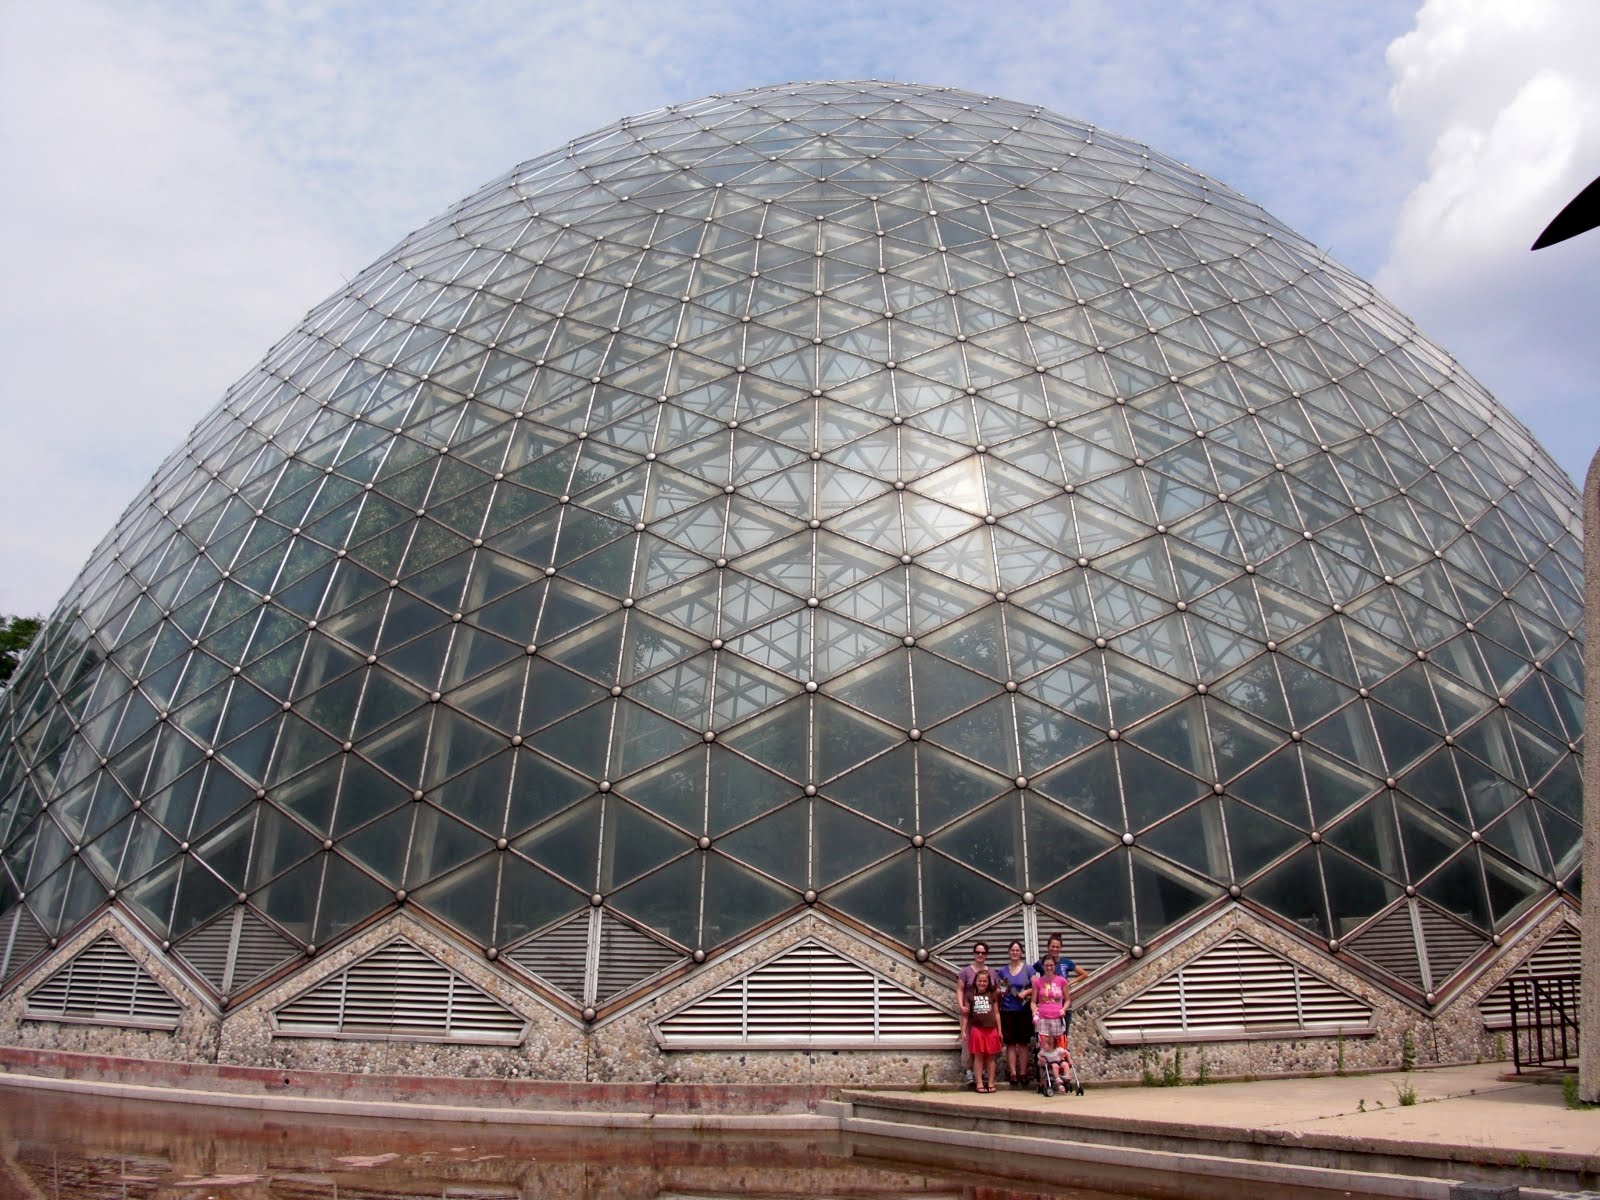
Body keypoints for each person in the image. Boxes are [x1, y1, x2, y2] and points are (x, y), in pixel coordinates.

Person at [991, 940, 1036, 1086]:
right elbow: (999, 989)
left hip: (1023, 1010)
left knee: (1023, 1043)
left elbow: (1036, 986)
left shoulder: (1028, 969)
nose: (1015, 953)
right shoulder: (1003, 971)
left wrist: (1025, 992)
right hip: (1008, 1010)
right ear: (1009, 952)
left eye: (1017, 950)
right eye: (1013, 950)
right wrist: (999, 993)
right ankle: (1013, 1073)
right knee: (1010, 1043)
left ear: (1021, 952)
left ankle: (1023, 1072)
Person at [1033, 932, 1089, 1035]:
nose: (1055, 949)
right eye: (1052, 946)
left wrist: (1070, 983)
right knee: (1045, 1039)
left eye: (1057, 947)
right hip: (1046, 1007)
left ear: (1061, 948)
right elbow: (1032, 976)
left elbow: (1084, 974)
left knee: (1062, 1037)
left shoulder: (1066, 962)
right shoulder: (1041, 963)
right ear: (1048, 947)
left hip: (1063, 1005)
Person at [1031, 955, 1070, 1095]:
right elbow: (1033, 1002)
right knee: (1043, 1051)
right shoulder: (1037, 982)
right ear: (1043, 967)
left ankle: (1061, 1079)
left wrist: (1063, 1009)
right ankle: (1044, 1081)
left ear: (1055, 967)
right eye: (1046, 965)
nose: (1048, 968)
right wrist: (1035, 1012)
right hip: (1043, 1020)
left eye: (1051, 966)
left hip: (1057, 1019)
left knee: (1059, 1049)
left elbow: (1067, 1000)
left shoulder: (1061, 981)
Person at [954, 941, 989, 1087]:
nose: (980, 955)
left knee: (985, 1043)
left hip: (985, 1012)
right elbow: (960, 989)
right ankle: (969, 1071)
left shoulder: (991, 972)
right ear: (974, 954)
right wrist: (961, 1004)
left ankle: (983, 1071)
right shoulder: (965, 972)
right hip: (969, 1012)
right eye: (977, 952)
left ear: (986, 955)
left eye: (983, 953)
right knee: (967, 1041)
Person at [962, 967, 1002, 1092]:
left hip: (991, 1029)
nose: (982, 983)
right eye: (980, 981)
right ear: (975, 981)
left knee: (991, 1057)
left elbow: (996, 1013)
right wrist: (963, 1030)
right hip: (977, 1029)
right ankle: (979, 1083)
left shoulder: (992, 995)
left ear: (988, 983)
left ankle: (990, 1083)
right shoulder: (970, 996)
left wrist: (999, 1030)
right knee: (978, 1057)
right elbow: (966, 1015)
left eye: (985, 981)